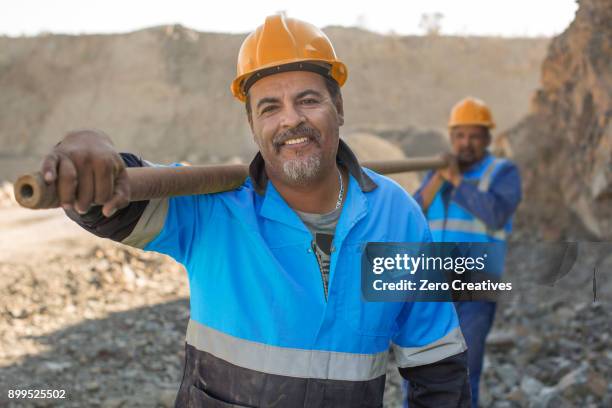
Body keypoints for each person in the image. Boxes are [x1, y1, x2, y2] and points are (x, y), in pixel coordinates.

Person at [40, 15, 470, 407]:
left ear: (338, 107)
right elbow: (108, 208)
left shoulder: (397, 215)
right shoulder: (215, 210)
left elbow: (438, 364)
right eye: (270, 107)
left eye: (308, 100)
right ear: (252, 124)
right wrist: (86, 150)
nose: (290, 120)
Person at [410, 97, 522, 407]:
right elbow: (411, 213)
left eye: (474, 136)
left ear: (487, 138)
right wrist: (438, 179)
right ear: (451, 138)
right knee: (419, 369)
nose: (466, 143)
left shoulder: (502, 172)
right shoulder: (438, 176)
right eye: (460, 136)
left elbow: (496, 213)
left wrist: (458, 181)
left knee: (464, 372)